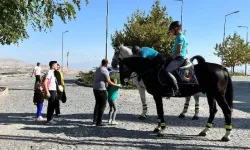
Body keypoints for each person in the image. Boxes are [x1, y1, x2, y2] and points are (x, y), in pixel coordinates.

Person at [93, 59, 121, 126]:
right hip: (101, 89)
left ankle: (95, 119)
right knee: (102, 105)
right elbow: (109, 81)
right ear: (106, 64)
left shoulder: (98, 69)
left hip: (95, 88)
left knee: (97, 104)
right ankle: (99, 122)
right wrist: (116, 85)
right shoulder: (105, 70)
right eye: (108, 64)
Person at [165, 20, 187, 95]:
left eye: (171, 30)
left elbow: (178, 51)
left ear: (176, 28)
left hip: (179, 58)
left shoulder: (180, 37)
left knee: (167, 71)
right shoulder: (177, 37)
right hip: (176, 57)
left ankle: (176, 89)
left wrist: (171, 57)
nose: (171, 32)